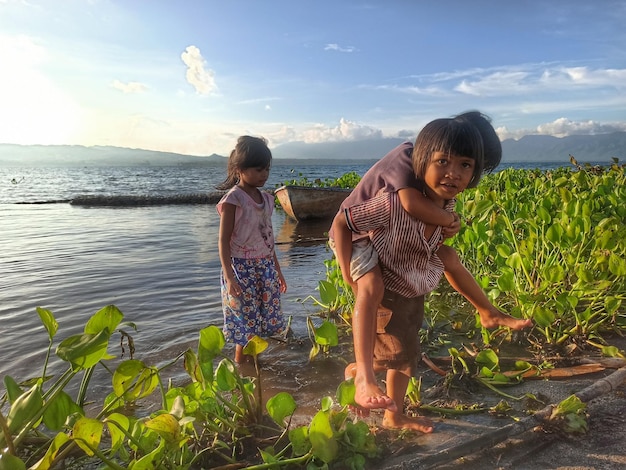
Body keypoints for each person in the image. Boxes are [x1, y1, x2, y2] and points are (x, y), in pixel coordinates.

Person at [331, 115, 532, 432]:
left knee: (406, 353)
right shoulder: (401, 179)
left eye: (467, 165)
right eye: (444, 161)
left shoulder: (444, 201)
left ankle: (487, 312)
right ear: (425, 158)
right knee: (372, 292)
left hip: (401, 261)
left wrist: (447, 224)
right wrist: (346, 271)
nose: (455, 173)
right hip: (357, 241)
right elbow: (350, 220)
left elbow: (430, 224)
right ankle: (362, 378)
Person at [216, 136, 287, 364]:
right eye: (258, 170)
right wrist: (229, 275)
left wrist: (277, 271)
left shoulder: (267, 199)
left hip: (264, 268)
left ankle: (254, 368)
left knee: (262, 321)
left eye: (267, 169)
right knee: (246, 323)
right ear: (239, 170)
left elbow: (268, 239)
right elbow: (223, 241)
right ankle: (241, 365)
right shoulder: (233, 199)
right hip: (241, 269)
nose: (264, 174)